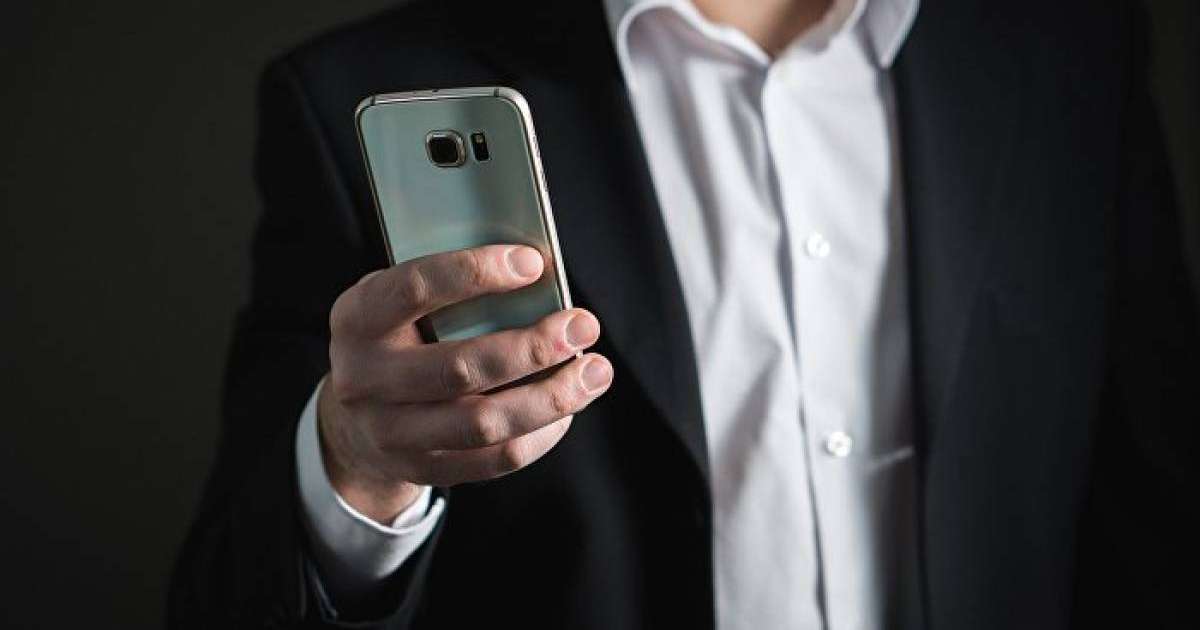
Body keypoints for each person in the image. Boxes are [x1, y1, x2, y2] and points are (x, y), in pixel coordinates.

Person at [170, 0, 1200, 627]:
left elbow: (1151, 514)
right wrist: (354, 469)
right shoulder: (360, 95)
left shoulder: (1075, 49)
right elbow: (232, 599)